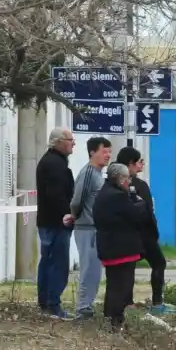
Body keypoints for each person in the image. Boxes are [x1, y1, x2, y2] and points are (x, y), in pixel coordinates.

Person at [115, 147, 171, 315]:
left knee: (128, 268)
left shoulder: (114, 183)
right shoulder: (139, 185)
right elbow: (148, 210)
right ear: (130, 164)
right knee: (159, 263)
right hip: (144, 235)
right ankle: (157, 302)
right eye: (140, 161)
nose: (142, 164)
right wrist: (153, 232)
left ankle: (127, 302)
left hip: (126, 234)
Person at [92, 163, 147, 332]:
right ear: (121, 179)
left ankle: (110, 318)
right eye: (126, 179)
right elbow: (135, 215)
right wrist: (141, 203)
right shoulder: (118, 196)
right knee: (122, 285)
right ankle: (116, 320)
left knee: (113, 284)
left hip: (109, 247)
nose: (128, 182)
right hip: (122, 248)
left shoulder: (103, 193)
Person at [34, 128, 77, 319]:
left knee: (48, 261)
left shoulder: (52, 161)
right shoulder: (55, 165)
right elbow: (56, 195)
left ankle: (46, 303)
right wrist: (67, 215)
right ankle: (53, 304)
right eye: (70, 140)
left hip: (48, 220)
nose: (73, 143)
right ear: (58, 142)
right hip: (56, 222)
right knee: (56, 263)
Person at [70, 136, 113, 317]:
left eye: (110, 152)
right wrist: (75, 216)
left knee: (95, 271)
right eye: (104, 151)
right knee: (89, 270)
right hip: (87, 227)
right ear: (92, 152)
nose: (108, 155)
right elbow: (77, 200)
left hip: (97, 228)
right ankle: (82, 308)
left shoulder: (99, 174)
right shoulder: (88, 173)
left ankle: (87, 305)